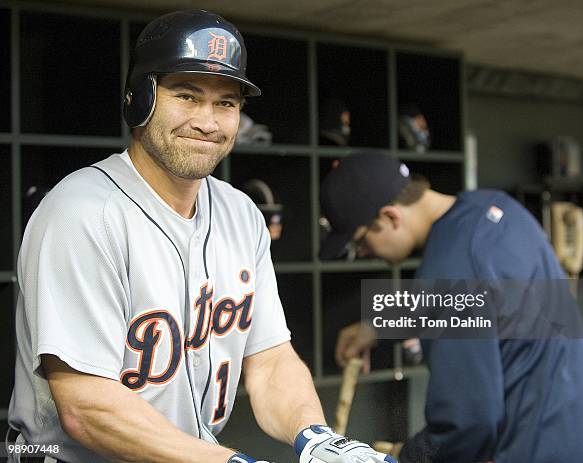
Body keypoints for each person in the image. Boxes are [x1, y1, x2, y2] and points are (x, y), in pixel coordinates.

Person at [7, 11, 397, 463]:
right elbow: (85, 404)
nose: (208, 122)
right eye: (187, 96)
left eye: (226, 103)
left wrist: (314, 437)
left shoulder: (241, 214)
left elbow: (269, 359)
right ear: (140, 100)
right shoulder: (81, 213)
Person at [320, 152, 583, 463]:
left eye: (361, 241)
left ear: (391, 216)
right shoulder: (493, 208)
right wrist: (378, 325)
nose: (364, 253)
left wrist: (405, 456)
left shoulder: (451, 267)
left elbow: (468, 424)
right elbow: (481, 299)